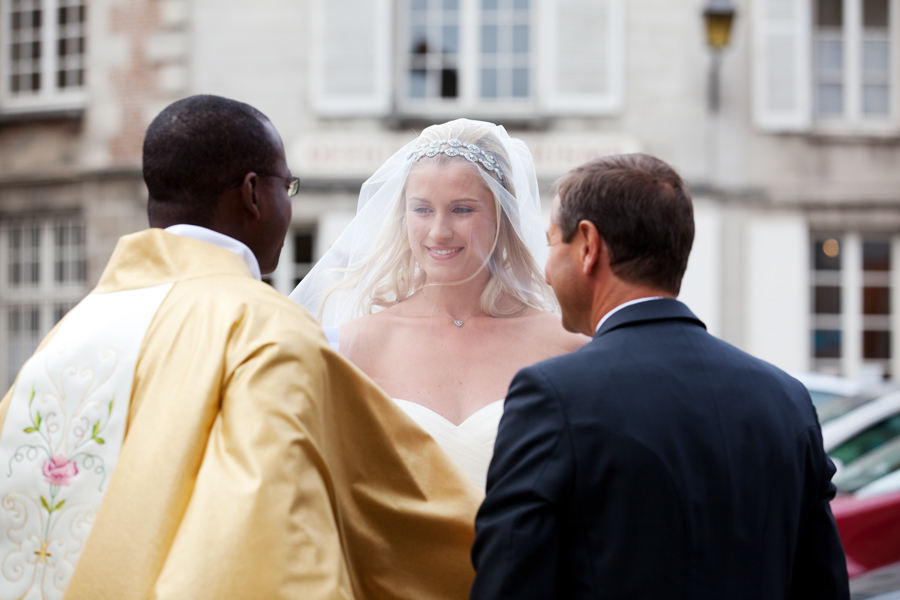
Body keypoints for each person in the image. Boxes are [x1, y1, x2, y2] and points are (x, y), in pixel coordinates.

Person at [0, 95, 480, 600]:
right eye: (287, 186)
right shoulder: (265, 330)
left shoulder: (70, 332)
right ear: (253, 193)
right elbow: (336, 522)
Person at [471, 154, 850, 599]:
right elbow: (824, 586)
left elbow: (510, 584)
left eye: (553, 243)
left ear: (589, 246)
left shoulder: (554, 396)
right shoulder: (786, 399)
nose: (546, 272)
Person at [291, 120, 584, 491]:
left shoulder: (567, 346)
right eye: (422, 209)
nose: (439, 231)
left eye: (462, 210)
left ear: (502, 215)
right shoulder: (351, 346)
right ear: (402, 215)